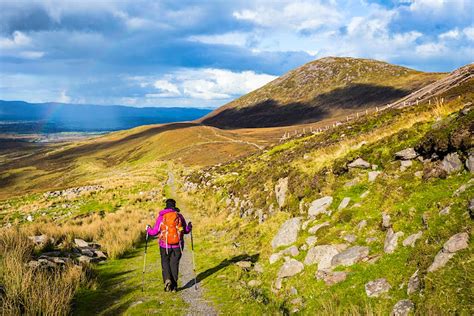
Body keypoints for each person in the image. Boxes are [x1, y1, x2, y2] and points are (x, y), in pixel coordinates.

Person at [146, 199, 192, 292]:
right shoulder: (179, 216)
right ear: (174, 206)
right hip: (177, 245)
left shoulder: (161, 217)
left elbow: (154, 232)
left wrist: (148, 229)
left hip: (164, 245)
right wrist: (190, 226)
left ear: (166, 206)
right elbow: (185, 230)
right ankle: (174, 286)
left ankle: (167, 280)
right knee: (174, 264)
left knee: (165, 262)